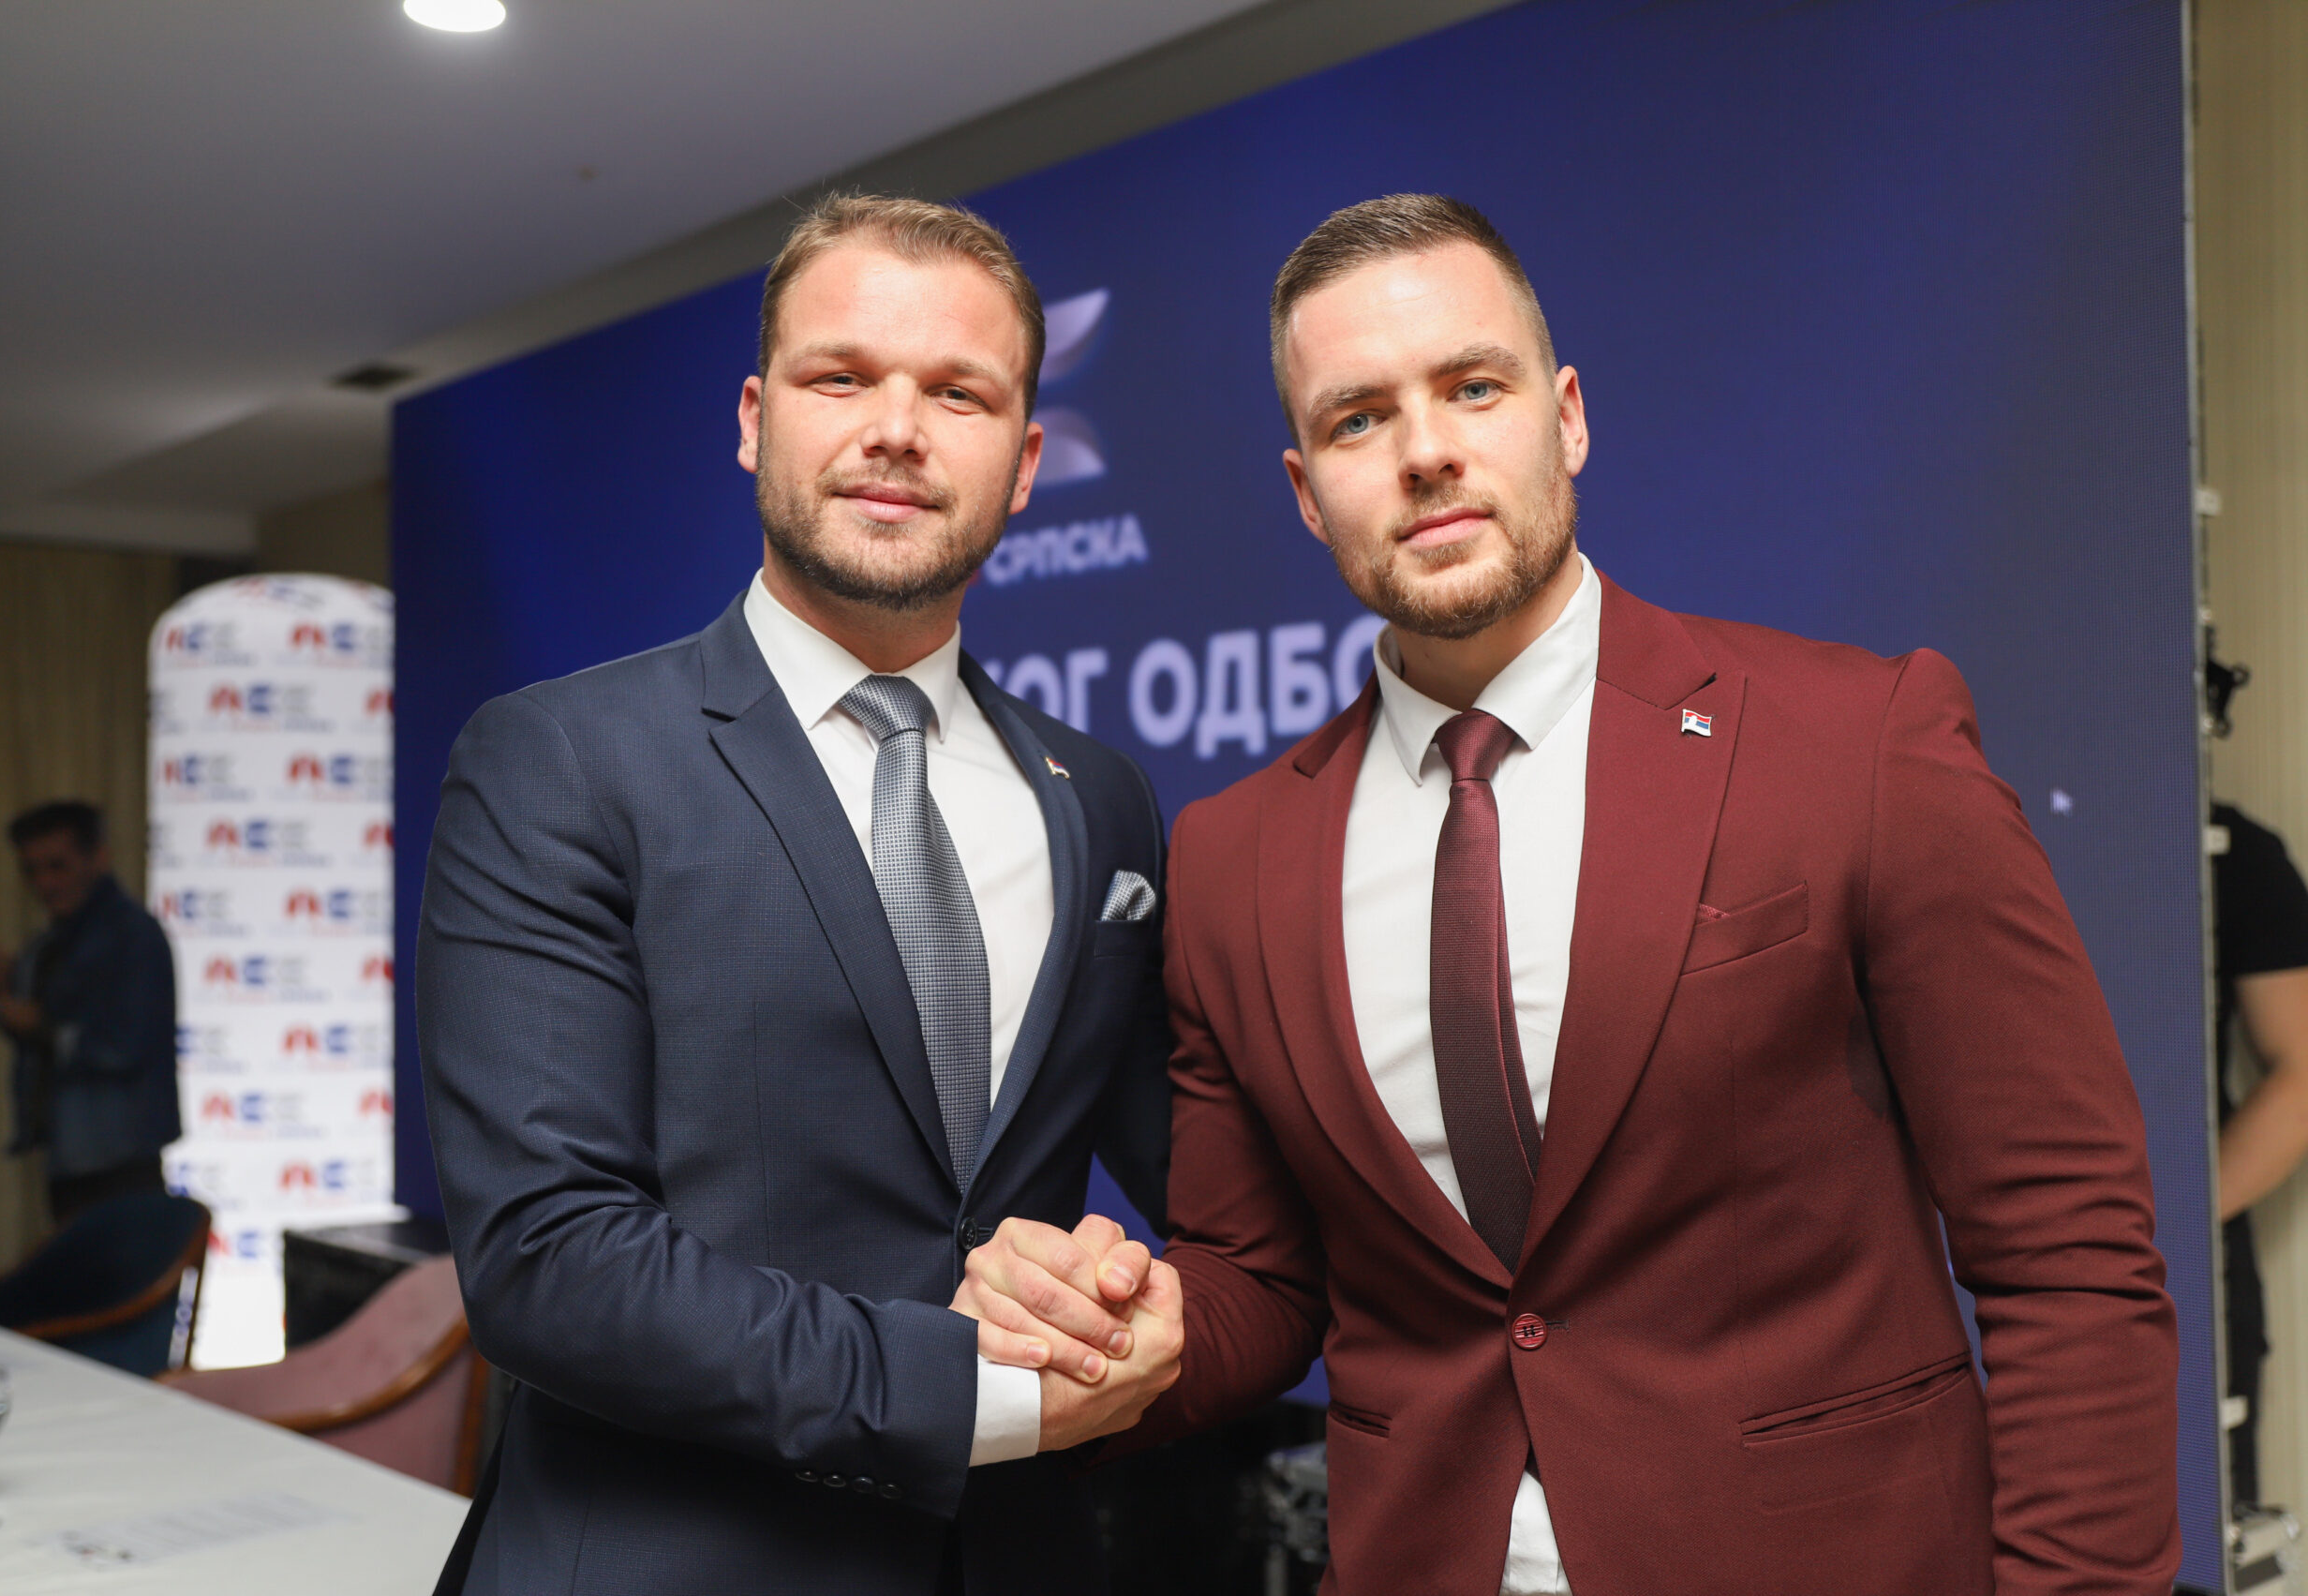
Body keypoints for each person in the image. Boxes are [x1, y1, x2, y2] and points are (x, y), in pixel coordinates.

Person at [959, 195, 2181, 1593]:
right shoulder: (1235, 859)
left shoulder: (1859, 742)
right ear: (1305, 490)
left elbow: (2069, 1252)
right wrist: (1107, 1328)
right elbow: (1265, 1275)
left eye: (1473, 387)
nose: (1426, 450)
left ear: (1568, 416)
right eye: (1359, 418)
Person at [415, 193, 1176, 1596]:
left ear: (1025, 462)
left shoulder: (1100, 797)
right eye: (842, 377)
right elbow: (547, 1260)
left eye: (959, 392)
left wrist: (1152, 1306)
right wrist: (971, 1392)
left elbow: (1207, 1174)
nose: (897, 429)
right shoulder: (560, 759)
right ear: (756, 420)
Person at [2204, 638, 2308, 1506]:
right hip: (1976, 1257)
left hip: (2185, 1256)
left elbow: (2302, 1074)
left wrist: (2171, 1219)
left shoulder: (2235, 858)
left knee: (2196, 1526)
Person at [0, 800, 180, 1225]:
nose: (44, 883)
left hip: (119, 1164)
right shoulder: (55, 941)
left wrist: (41, 1025)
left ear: (98, 857)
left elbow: (126, 1046)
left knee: (121, 1266)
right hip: (74, 1160)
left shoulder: (133, 936)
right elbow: (36, 1030)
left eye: (57, 866)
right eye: (31, 871)